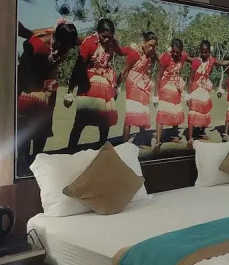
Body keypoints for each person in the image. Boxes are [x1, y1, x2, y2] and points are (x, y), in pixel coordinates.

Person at [16, 20, 78, 167]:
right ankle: (23, 161)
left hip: (48, 89)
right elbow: (24, 65)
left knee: (43, 127)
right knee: (26, 126)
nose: (65, 49)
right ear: (56, 38)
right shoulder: (37, 45)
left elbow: (83, 41)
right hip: (29, 88)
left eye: (68, 47)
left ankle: (37, 160)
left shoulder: (66, 41)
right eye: (63, 45)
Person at [64, 18, 123, 150]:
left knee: (105, 121)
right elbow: (78, 67)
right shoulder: (89, 43)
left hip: (105, 85)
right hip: (89, 85)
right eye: (104, 36)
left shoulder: (112, 43)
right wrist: (69, 92)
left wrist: (136, 51)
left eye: (110, 37)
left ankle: (102, 148)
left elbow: (123, 52)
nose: (107, 39)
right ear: (98, 32)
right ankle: (70, 150)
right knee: (80, 120)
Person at [185, 40, 229, 146]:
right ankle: (190, 138)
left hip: (204, 89)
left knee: (204, 111)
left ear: (209, 52)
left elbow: (221, 63)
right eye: (202, 52)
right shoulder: (196, 61)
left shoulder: (211, 60)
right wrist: (188, 95)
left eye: (206, 52)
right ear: (200, 51)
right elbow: (190, 79)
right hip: (195, 89)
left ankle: (201, 133)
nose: (204, 54)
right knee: (192, 113)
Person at [117, 32, 158, 147]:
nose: (151, 48)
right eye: (150, 45)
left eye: (154, 46)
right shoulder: (134, 53)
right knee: (131, 111)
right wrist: (117, 86)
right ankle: (125, 144)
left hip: (143, 83)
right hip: (133, 83)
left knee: (143, 110)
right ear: (144, 42)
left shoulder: (150, 54)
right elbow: (124, 70)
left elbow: (160, 60)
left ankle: (142, 141)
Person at [153, 38, 188, 152]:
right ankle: (158, 142)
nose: (176, 54)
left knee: (175, 112)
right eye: (174, 51)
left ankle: (174, 135)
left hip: (176, 87)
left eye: (178, 52)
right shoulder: (165, 57)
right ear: (171, 49)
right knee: (162, 114)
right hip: (165, 87)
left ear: (181, 51)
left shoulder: (183, 57)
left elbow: (192, 60)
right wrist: (155, 95)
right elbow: (158, 76)